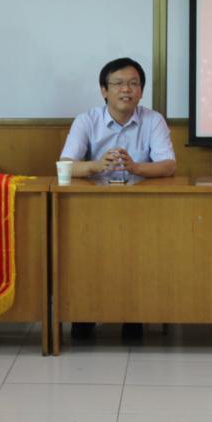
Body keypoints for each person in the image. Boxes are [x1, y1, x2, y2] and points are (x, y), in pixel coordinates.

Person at [60, 56, 177, 341]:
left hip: (141, 206)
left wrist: (135, 167)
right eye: (118, 83)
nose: (126, 90)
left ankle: (133, 316)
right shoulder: (87, 120)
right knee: (86, 256)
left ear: (141, 91)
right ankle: (84, 315)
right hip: (93, 207)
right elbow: (65, 166)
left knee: (140, 257)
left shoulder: (153, 120)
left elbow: (168, 165)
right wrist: (97, 165)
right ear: (104, 90)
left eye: (134, 84)